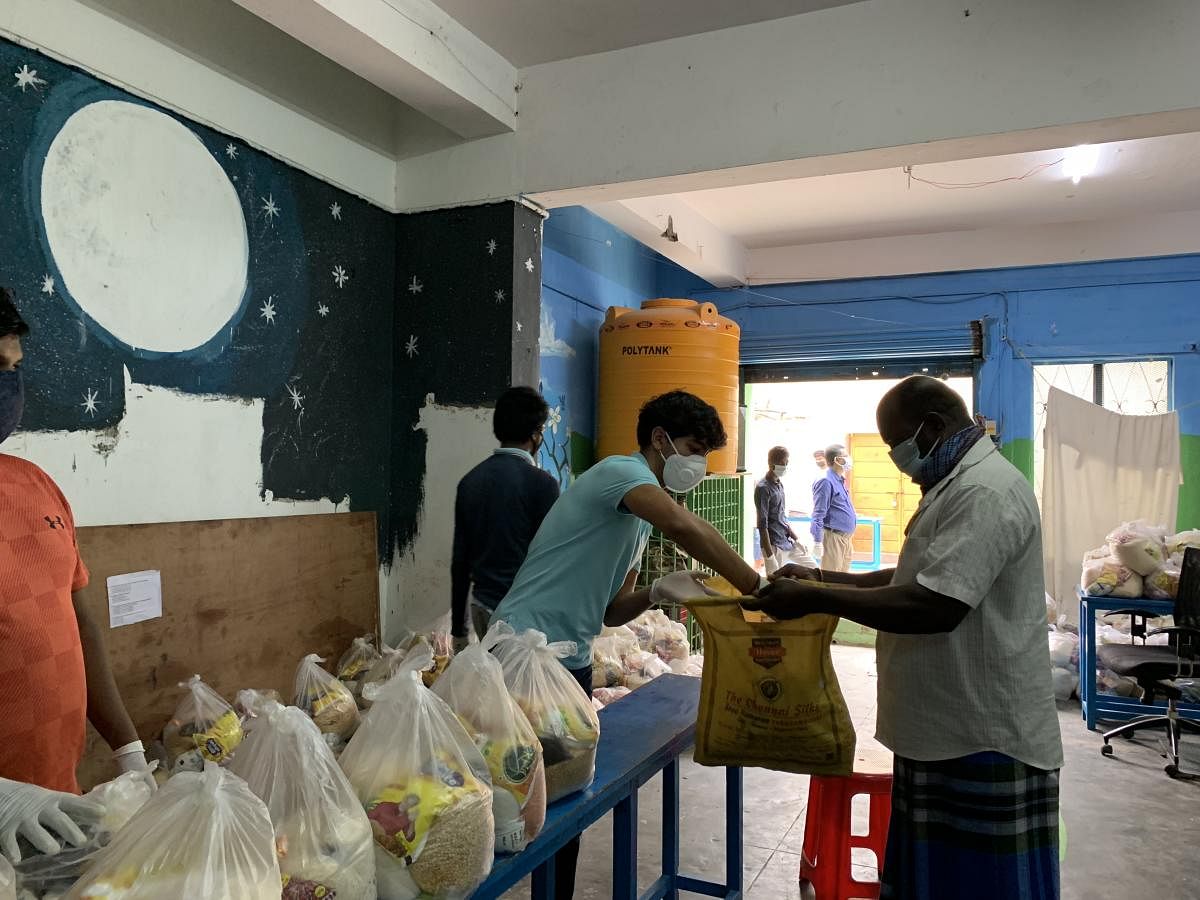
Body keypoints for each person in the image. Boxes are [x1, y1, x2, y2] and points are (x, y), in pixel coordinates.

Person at [751, 375, 1063, 900]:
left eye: (898, 444)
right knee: (933, 881)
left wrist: (816, 599)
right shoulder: (956, 484)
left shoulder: (984, 492)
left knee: (980, 886)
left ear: (934, 427)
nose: (898, 458)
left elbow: (933, 605)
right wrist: (821, 577)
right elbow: (914, 576)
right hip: (943, 724)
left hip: (982, 735)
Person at [492, 390, 762, 899]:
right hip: (520, 652)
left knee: (563, 799)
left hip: (569, 661)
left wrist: (656, 592)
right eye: (694, 447)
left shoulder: (636, 521)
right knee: (506, 795)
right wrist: (755, 585)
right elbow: (685, 525)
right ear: (660, 439)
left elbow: (609, 611)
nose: (699, 462)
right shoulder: (620, 473)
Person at [0, 287, 153, 863]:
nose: (9, 387)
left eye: (12, 370)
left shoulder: (34, 484)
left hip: (55, 811)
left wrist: (129, 750)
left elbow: (77, 623)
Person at [450, 386, 560, 653]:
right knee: (522, 693)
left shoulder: (470, 482)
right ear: (535, 434)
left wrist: (458, 631)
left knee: (494, 688)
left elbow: (460, 563)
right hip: (523, 616)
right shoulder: (542, 485)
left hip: (482, 609)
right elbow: (551, 560)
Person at [754, 446, 815, 575]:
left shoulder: (779, 484)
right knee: (777, 583)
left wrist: (797, 540)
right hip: (773, 545)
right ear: (771, 463)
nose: (785, 466)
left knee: (814, 569)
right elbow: (762, 524)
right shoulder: (763, 488)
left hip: (786, 540)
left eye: (787, 463)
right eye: (782, 463)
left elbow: (782, 518)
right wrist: (770, 557)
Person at [810, 443, 857, 571]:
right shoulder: (825, 481)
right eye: (845, 456)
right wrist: (817, 541)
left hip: (845, 540)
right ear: (837, 460)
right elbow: (818, 513)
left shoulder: (839, 479)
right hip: (833, 539)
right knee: (831, 581)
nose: (848, 458)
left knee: (843, 581)